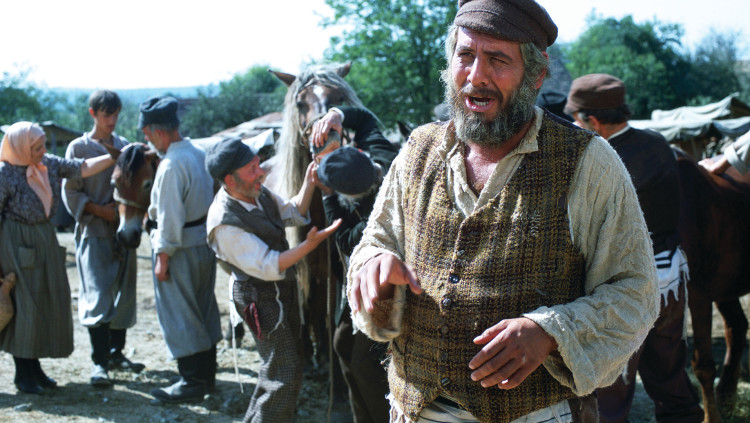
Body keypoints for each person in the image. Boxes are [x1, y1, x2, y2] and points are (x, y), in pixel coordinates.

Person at [346, 1, 661, 422]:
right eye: (465, 55)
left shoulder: (588, 162)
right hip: (414, 410)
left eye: (497, 60)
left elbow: (635, 290)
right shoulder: (418, 149)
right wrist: (375, 265)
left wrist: (551, 331)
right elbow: (376, 242)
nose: (476, 76)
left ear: (536, 75)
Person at [565, 73, 704, 423]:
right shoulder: (657, 142)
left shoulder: (600, 158)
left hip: (623, 289)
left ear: (593, 120)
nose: (573, 125)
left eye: (576, 118)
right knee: (671, 378)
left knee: (610, 394)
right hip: (669, 281)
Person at [204, 136, 340, 422]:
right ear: (229, 180)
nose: (261, 173)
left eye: (258, 165)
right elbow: (269, 264)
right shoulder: (224, 223)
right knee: (283, 374)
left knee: (283, 368)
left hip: (280, 290)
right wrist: (309, 246)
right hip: (258, 297)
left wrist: (309, 182)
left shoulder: (257, 192)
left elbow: (292, 212)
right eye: (252, 169)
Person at [0, 121, 118, 394]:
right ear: (21, 148)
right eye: (36, 147)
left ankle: (35, 369)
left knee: (43, 302)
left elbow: (81, 168)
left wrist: (114, 157)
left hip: (43, 238)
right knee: (26, 306)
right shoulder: (5, 174)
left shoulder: (47, 165)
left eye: (43, 146)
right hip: (17, 242)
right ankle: (23, 374)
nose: (43, 151)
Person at [310, 106, 399, 423]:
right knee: (341, 343)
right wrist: (336, 114)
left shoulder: (377, 218)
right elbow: (365, 119)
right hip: (368, 282)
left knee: (364, 363)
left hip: (388, 287)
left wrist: (327, 197)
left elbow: (345, 239)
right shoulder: (384, 157)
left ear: (349, 195)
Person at [139, 96, 222, 403]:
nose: (148, 141)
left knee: (180, 313)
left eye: (149, 135)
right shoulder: (199, 153)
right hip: (202, 244)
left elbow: (170, 217)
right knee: (203, 307)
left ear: (159, 132)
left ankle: (192, 381)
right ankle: (207, 376)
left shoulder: (171, 165)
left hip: (179, 248)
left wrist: (163, 257)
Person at [62, 90, 144, 388]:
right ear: (93, 113)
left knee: (123, 294)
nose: (112, 120)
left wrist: (124, 214)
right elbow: (70, 191)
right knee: (97, 294)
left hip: (124, 232)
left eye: (116, 114)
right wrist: (100, 211)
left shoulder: (125, 146)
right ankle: (99, 362)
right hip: (94, 230)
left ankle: (116, 353)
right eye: (106, 114)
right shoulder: (78, 147)